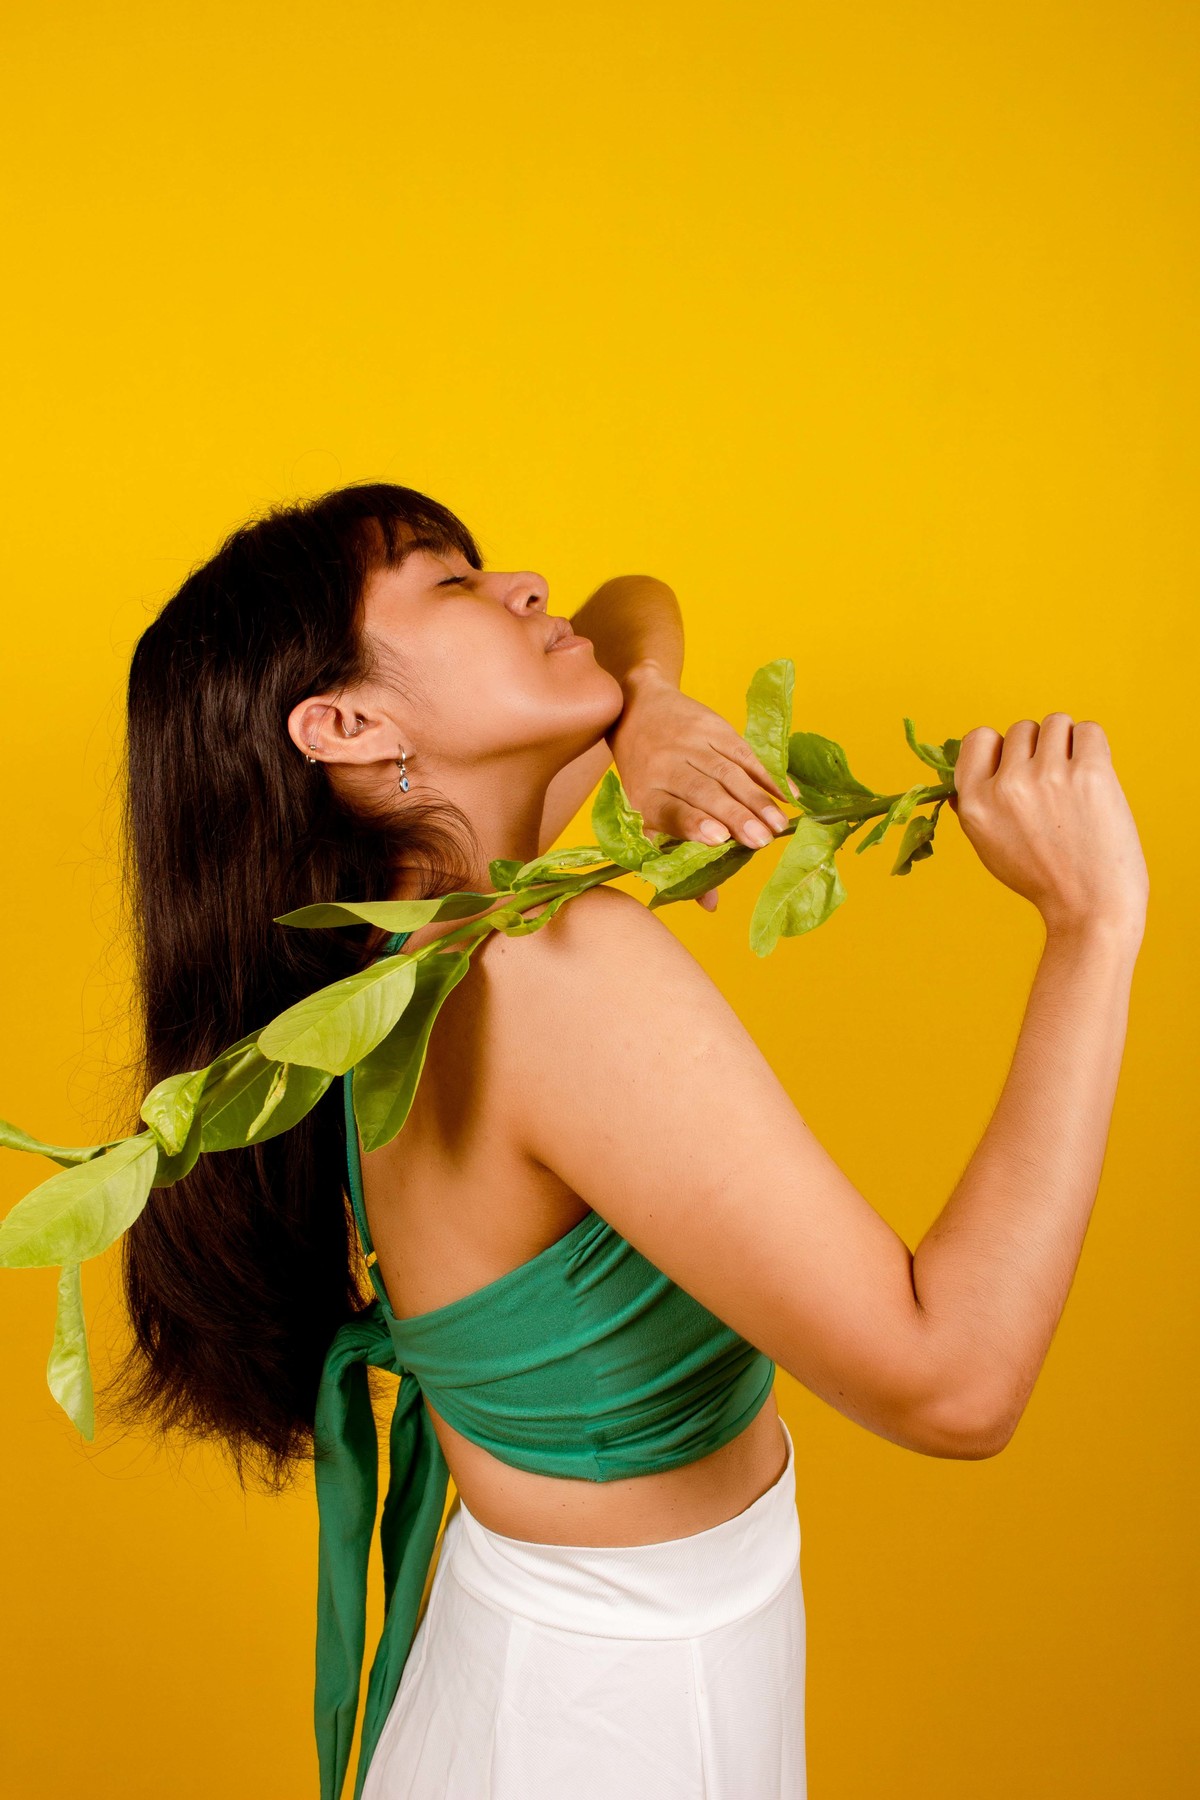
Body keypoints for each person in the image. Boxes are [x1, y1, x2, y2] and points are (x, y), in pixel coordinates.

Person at [113, 481, 1148, 1800]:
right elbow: (955, 1384)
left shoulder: (403, 943)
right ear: (348, 723)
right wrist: (1091, 928)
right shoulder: (555, 976)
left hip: (556, 1655)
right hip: (613, 1724)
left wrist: (649, 709)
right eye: (452, 585)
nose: (528, 585)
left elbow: (628, 603)